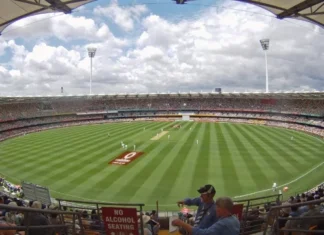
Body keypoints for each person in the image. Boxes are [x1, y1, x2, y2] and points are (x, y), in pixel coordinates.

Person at [172, 197, 240, 235]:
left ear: (224, 210)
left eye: (218, 207)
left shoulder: (222, 224)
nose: (216, 209)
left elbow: (203, 233)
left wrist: (182, 223)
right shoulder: (235, 219)